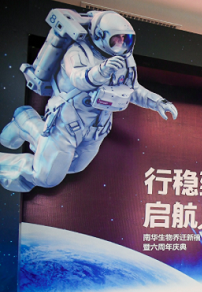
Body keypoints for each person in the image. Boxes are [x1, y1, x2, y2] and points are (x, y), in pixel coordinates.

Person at [0, 10, 177, 192]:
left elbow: (132, 89)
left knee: (73, 166)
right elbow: (79, 78)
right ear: (100, 35)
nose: (121, 43)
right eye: (116, 38)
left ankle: (28, 123)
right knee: (46, 177)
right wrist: (102, 71)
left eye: (125, 38)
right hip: (67, 121)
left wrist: (158, 102)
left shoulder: (125, 60)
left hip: (97, 128)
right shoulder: (78, 51)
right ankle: (24, 126)